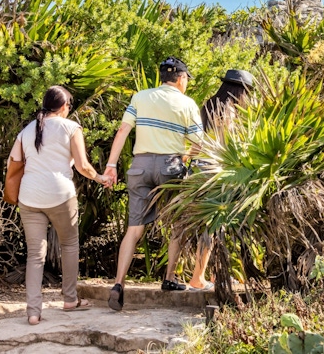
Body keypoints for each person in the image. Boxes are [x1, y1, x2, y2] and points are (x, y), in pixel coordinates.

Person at [102, 57, 208, 311]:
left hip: (139, 166)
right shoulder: (187, 104)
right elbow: (199, 144)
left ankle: (118, 284)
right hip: (169, 167)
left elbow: (123, 131)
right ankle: (169, 278)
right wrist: (183, 158)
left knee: (134, 228)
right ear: (181, 79)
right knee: (177, 224)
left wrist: (111, 165)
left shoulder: (141, 96)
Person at [8, 85, 113, 325]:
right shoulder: (71, 127)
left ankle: (33, 312)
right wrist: (100, 178)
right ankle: (69, 299)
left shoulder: (27, 130)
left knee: (35, 255)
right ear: (65, 106)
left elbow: (13, 162)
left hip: (29, 197)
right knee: (69, 244)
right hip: (60, 195)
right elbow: (83, 166)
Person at [184, 68, 256, 292]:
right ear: (240, 92)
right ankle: (198, 277)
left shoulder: (208, 105)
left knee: (211, 226)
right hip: (216, 172)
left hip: (200, 169)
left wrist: (187, 159)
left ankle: (211, 274)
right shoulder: (228, 112)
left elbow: (199, 142)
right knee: (213, 226)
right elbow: (228, 144)